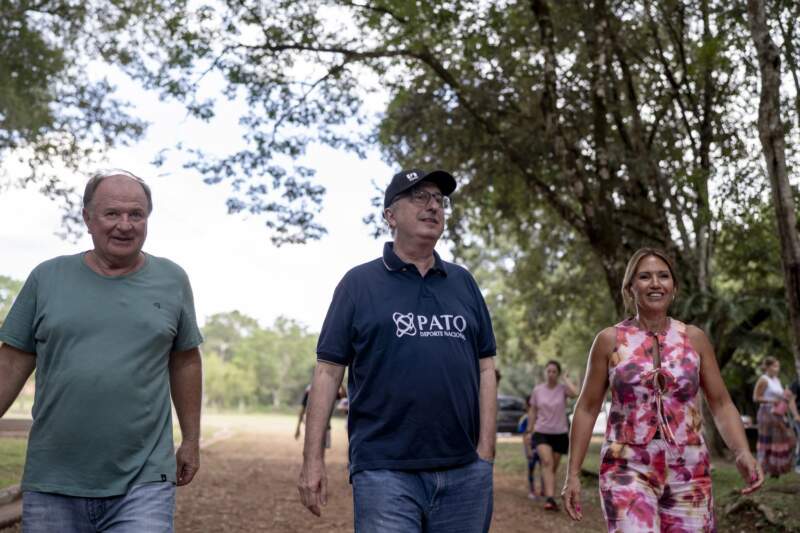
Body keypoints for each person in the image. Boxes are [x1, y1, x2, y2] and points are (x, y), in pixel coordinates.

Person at [0, 169, 203, 532]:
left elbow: (186, 361)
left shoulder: (172, 280)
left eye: (136, 214)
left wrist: (191, 439)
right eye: (112, 214)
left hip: (144, 481)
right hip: (53, 479)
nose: (125, 225)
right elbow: (11, 363)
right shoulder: (47, 278)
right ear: (88, 218)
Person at [297, 169, 497, 533]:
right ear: (390, 216)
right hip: (384, 471)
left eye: (439, 199)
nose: (433, 206)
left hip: (465, 472)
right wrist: (313, 460)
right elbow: (327, 372)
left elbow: (486, 367)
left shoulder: (463, 283)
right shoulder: (358, 284)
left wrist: (485, 452)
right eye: (419, 196)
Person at [561, 247, 763, 531]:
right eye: (645, 276)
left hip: (689, 467)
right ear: (630, 288)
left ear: (674, 288)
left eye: (663, 276)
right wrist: (572, 473)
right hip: (626, 466)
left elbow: (720, 402)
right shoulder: (609, 340)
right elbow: (587, 407)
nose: (655, 283)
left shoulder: (694, 338)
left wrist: (742, 452)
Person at [525, 360, 577, 510]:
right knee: (547, 462)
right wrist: (529, 430)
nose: (551, 374)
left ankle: (548, 491)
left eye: (554, 371)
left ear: (558, 374)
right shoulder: (538, 390)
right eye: (549, 371)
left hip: (560, 433)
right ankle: (550, 499)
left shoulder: (563, 389)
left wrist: (566, 379)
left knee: (552, 467)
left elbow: (575, 394)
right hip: (541, 432)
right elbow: (533, 411)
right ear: (545, 373)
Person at [753, 356, 799, 477]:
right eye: (774, 366)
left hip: (777, 413)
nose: (777, 369)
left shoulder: (777, 380)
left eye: (778, 366)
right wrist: (772, 400)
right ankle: (762, 469)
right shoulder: (764, 380)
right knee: (766, 440)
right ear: (767, 367)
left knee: (779, 439)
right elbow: (756, 397)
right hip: (766, 413)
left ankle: (775, 469)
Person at [295, 383, 346, 448]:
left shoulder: (329, 389)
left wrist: (339, 381)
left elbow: (344, 396)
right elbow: (302, 409)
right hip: (313, 424)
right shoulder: (311, 389)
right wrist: (298, 428)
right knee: (313, 447)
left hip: (325, 424)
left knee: (319, 447)